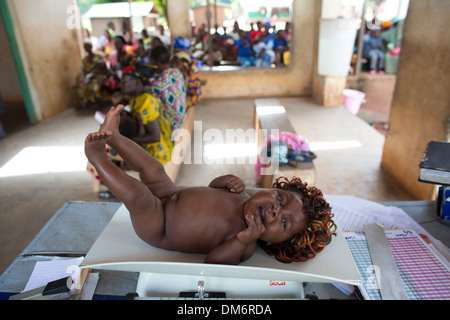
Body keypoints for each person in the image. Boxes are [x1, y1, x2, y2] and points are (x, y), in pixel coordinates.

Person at [85, 105, 336, 265]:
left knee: (139, 197)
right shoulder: (242, 195)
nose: (274, 210)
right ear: (275, 190)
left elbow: (214, 261)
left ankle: (98, 158)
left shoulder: (245, 247)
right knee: (153, 168)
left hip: (160, 228)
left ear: (276, 243)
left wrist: (241, 239)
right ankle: (114, 137)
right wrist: (226, 180)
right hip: (170, 193)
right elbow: (212, 188)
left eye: (283, 222)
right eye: (280, 200)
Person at [115, 63, 173, 164]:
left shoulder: (146, 102)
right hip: (147, 149)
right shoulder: (136, 99)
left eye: (125, 81)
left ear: (137, 82)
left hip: (157, 155)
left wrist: (129, 140)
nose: (121, 85)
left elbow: (155, 137)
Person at [149, 45, 187, 132]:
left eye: (151, 61)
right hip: (181, 119)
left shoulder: (155, 85)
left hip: (171, 127)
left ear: (156, 62)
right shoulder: (177, 72)